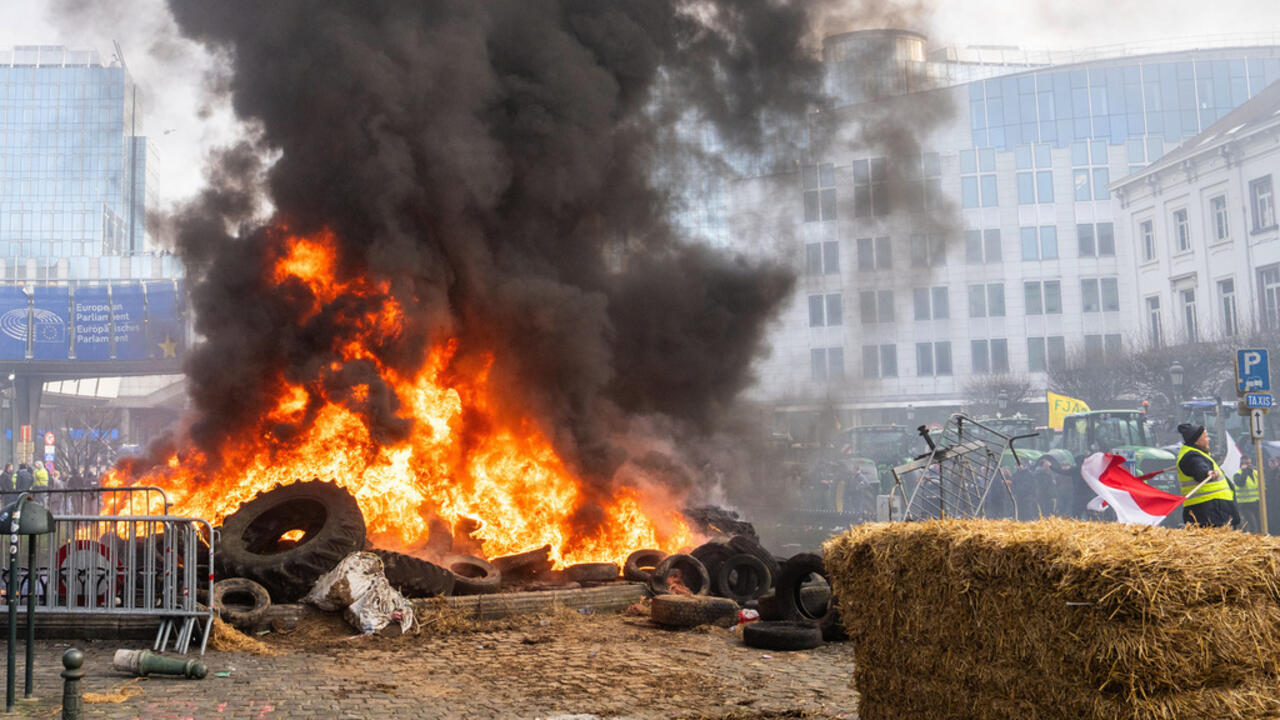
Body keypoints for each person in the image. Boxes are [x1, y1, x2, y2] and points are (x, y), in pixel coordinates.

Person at [1176, 423, 1240, 528]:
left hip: (1211, 509)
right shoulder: (1191, 456)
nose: (1209, 439)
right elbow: (1199, 468)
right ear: (1197, 441)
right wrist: (1207, 473)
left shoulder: (1196, 454)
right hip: (1209, 511)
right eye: (1206, 437)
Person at [1233, 455, 1261, 532]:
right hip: (1245, 504)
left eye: (1249, 463)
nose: (1248, 466)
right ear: (1241, 465)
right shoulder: (1237, 474)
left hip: (1256, 503)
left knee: (1260, 524)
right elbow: (1241, 483)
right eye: (1246, 464)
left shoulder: (1256, 473)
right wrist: (1244, 471)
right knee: (1252, 525)